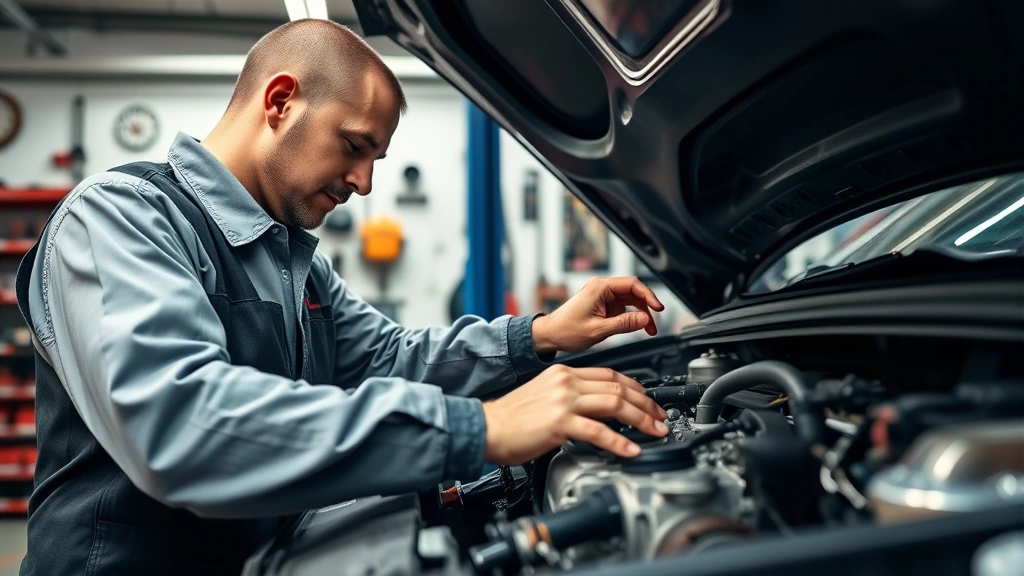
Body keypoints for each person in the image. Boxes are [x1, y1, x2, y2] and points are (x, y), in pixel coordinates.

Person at [14, 19, 668, 576]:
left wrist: (540, 335)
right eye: (355, 147)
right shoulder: (119, 221)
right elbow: (180, 427)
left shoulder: (289, 254)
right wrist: (482, 429)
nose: (362, 182)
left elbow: (389, 357)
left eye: (377, 158)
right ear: (279, 103)